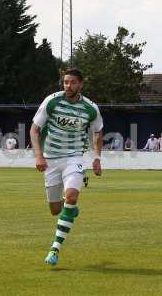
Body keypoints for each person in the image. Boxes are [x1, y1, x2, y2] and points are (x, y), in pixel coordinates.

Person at [30, 68, 103, 266]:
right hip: (51, 160)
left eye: (72, 82)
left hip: (74, 157)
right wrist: (38, 155)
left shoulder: (90, 108)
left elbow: (98, 133)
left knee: (70, 196)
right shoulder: (52, 101)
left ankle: (55, 249)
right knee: (56, 210)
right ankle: (71, 210)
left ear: (80, 84)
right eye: (65, 82)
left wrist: (96, 158)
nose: (67, 86)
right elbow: (34, 129)